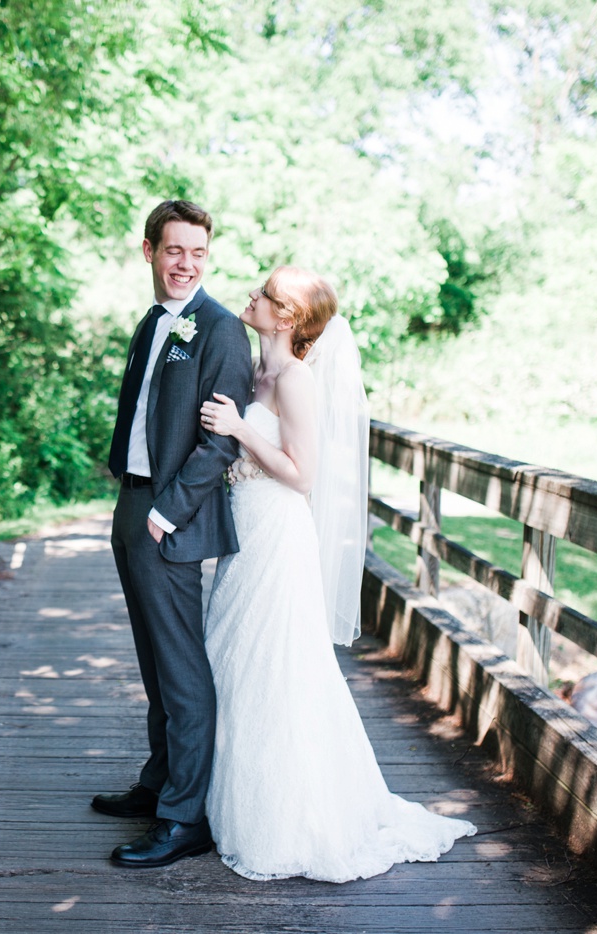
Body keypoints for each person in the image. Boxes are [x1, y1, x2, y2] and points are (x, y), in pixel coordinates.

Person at [198, 266, 475, 882]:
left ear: (288, 316)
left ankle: (286, 818)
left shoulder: (295, 380)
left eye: (263, 295)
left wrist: (241, 428)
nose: (251, 297)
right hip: (242, 527)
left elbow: (302, 475)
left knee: (274, 665)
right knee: (235, 660)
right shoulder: (256, 368)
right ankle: (220, 799)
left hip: (275, 531)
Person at [95, 200, 253, 868]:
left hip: (170, 517)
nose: (186, 263)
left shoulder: (219, 331)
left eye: (198, 252)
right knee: (153, 664)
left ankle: (184, 816)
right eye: (174, 250)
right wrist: (128, 493)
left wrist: (167, 512)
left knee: (183, 671)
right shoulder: (151, 323)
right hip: (131, 504)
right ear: (149, 251)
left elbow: (220, 445)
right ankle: (158, 781)